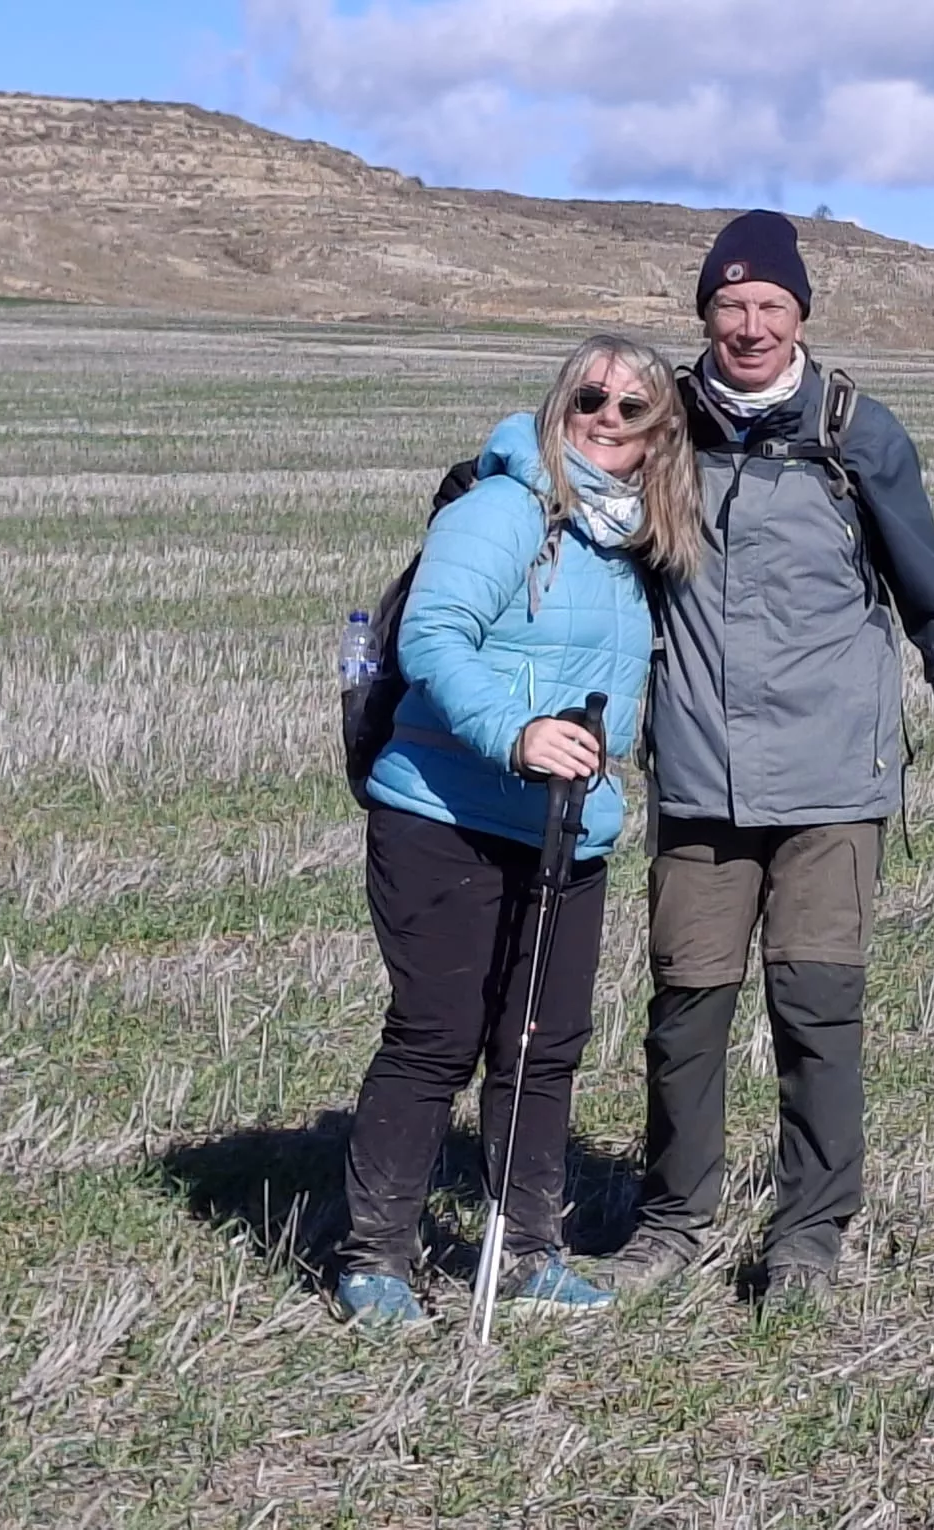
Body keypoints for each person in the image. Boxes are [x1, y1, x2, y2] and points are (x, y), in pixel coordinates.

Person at [598, 209, 934, 1309]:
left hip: (831, 786)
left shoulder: (861, 434)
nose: (751, 325)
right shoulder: (662, 424)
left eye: (772, 306)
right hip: (702, 782)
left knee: (817, 1015)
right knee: (685, 1017)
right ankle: (672, 1221)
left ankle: (810, 1236)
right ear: (704, 313)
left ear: (802, 315)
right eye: (731, 304)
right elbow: (570, 494)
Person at [335, 336, 699, 1328]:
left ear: (661, 430)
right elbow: (432, 637)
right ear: (559, 404)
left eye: (633, 407)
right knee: (436, 1038)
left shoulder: (638, 540)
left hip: (565, 830)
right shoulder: (506, 507)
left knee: (542, 1044)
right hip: (445, 813)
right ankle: (377, 1262)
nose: (607, 416)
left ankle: (528, 1250)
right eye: (590, 396)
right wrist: (515, 732)